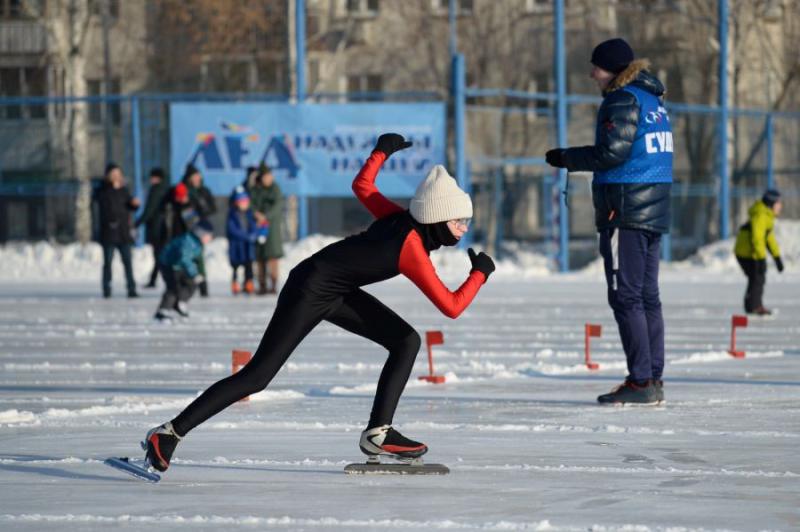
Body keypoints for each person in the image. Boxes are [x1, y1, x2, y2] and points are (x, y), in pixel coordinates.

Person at [141, 133, 496, 473]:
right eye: (459, 220)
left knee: (406, 340)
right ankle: (168, 434)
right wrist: (479, 274)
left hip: (335, 289)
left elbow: (363, 187)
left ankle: (379, 433)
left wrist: (381, 152)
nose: (464, 228)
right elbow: (451, 306)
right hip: (309, 289)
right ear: (436, 216)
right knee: (257, 376)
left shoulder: (398, 218)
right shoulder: (411, 248)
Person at [545, 38, 672, 405]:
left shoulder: (622, 99)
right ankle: (652, 378)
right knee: (647, 296)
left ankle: (641, 381)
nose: (591, 73)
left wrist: (568, 157)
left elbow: (612, 153)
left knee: (626, 295)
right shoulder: (653, 100)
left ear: (614, 69)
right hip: (653, 207)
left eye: (596, 67)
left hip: (626, 208)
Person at [734, 189, 784, 315]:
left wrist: (777, 257)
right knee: (757, 277)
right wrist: (761, 259)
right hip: (745, 252)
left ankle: (752, 305)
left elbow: (769, 238)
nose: (780, 206)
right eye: (778, 203)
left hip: (749, 252)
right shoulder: (761, 215)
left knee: (757, 277)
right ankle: (754, 306)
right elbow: (757, 238)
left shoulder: (767, 216)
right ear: (771, 203)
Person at [94, 163, 140, 298]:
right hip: (109, 233)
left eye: (118, 174)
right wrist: (111, 188)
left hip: (123, 233)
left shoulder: (123, 190)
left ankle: (131, 288)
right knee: (108, 263)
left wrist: (134, 204)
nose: (116, 177)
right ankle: (106, 288)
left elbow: (129, 206)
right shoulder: (102, 189)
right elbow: (100, 202)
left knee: (128, 262)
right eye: (113, 174)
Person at [154, 220, 214, 322]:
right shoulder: (188, 241)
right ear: (200, 233)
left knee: (192, 283)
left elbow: (196, 261)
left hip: (179, 266)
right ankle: (162, 311)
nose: (210, 238)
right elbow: (185, 258)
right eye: (208, 235)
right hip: (168, 265)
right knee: (173, 287)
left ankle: (180, 303)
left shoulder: (197, 243)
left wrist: (199, 275)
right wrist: (194, 274)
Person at [183, 164, 216, 297]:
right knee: (186, 257)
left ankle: (203, 287)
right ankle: (186, 285)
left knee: (199, 257)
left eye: (198, 176)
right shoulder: (185, 190)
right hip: (187, 228)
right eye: (194, 176)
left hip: (201, 228)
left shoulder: (204, 191)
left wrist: (203, 208)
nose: (197, 178)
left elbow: (213, 208)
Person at [250, 164, 284, 295]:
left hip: (272, 227)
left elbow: (277, 205)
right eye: (266, 176)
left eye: (270, 176)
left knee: (272, 256)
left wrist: (265, 216)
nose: (269, 179)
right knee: (260, 256)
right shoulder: (255, 189)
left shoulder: (275, 189)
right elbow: (250, 203)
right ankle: (262, 284)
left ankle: (273, 284)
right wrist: (256, 214)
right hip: (258, 226)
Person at [135, 168, 170, 288]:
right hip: (163, 226)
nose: (150, 179)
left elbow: (150, 209)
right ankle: (154, 280)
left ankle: (167, 280)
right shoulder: (165, 189)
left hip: (157, 226)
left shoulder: (156, 190)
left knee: (159, 255)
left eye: (152, 177)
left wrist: (138, 222)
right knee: (160, 255)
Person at [226, 186, 258, 295]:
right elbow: (232, 230)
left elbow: (254, 226)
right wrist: (246, 236)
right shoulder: (232, 214)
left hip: (247, 246)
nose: (244, 204)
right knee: (236, 267)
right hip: (236, 246)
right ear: (236, 202)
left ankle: (248, 284)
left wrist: (254, 234)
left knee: (248, 265)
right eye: (241, 201)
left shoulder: (249, 214)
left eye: (245, 201)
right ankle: (235, 284)